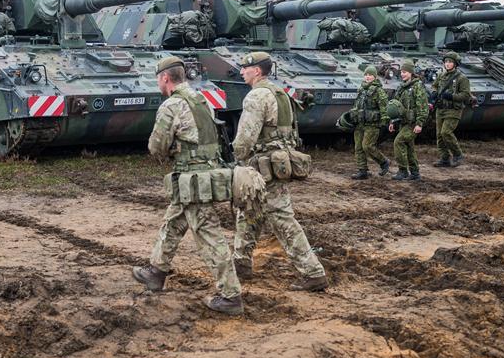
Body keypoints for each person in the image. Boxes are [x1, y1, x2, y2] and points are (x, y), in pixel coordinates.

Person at [132, 56, 243, 315]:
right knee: (174, 222)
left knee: (209, 236)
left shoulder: (172, 105)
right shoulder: (202, 101)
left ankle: (230, 296)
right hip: (204, 175)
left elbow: (156, 147)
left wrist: (171, 148)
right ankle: (156, 272)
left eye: (158, 79)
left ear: (165, 78)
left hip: (194, 180)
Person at [231, 51, 329, 291]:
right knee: (249, 211)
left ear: (257, 70)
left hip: (262, 166)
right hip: (277, 163)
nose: (241, 71)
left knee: (282, 219)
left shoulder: (256, 97)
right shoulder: (281, 94)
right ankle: (240, 262)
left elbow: (245, 139)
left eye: (245, 68)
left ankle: (313, 272)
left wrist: (237, 160)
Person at [430, 52, 471, 167]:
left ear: (455, 64)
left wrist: (452, 97)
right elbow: (434, 85)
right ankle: (444, 158)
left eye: (450, 62)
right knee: (439, 135)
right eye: (446, 62)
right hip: (441, 109)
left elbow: (466, 95)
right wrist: (433, 92)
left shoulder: (461, 78)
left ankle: (458, 154)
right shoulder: (441, 75)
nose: (447, 64)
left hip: (453, 109)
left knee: (446, 132)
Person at [389, 60, 428, 181]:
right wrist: (392, 121)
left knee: (398, 142)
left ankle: (403, 171)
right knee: (409, 147)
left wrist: (419, 123)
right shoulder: (401, 87)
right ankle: (415, 173)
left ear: (411, 72)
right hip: (403, 122)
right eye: (401, 72)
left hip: (413, 123)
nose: (402, 74)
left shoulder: (417, 86)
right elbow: (395, 105)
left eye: (405, 72)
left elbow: (423, 106)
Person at [350, 66, 390, 179]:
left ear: (375, 77)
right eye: (366, 74)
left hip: (372, 124)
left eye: (370, 75)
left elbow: (384, 107)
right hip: (360, 123)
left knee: (367, 146)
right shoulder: (361, 89)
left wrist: (384, 121)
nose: (367, 77)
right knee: (358, 147)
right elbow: (357, 105)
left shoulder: (378, 91)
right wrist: (353, 115)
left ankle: (383, 162)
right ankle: (362, 170)